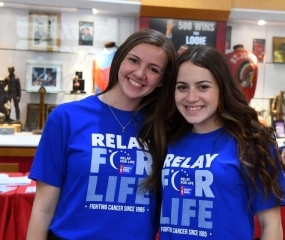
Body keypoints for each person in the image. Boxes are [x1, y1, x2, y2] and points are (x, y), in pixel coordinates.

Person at [26, 29, 176, 240]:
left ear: (161, 80)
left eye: (153, 69)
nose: (140, 73)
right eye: (133, 60)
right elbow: (43, 208)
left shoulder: (164, 128)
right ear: (119, 60)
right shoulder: (66, 118)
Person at [147, 46, 285, 239]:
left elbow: (271, 225)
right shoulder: (167, 139)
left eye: (203, 86)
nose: (191, 97)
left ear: (222, 88)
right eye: (182, 87)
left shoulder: (251, 142)